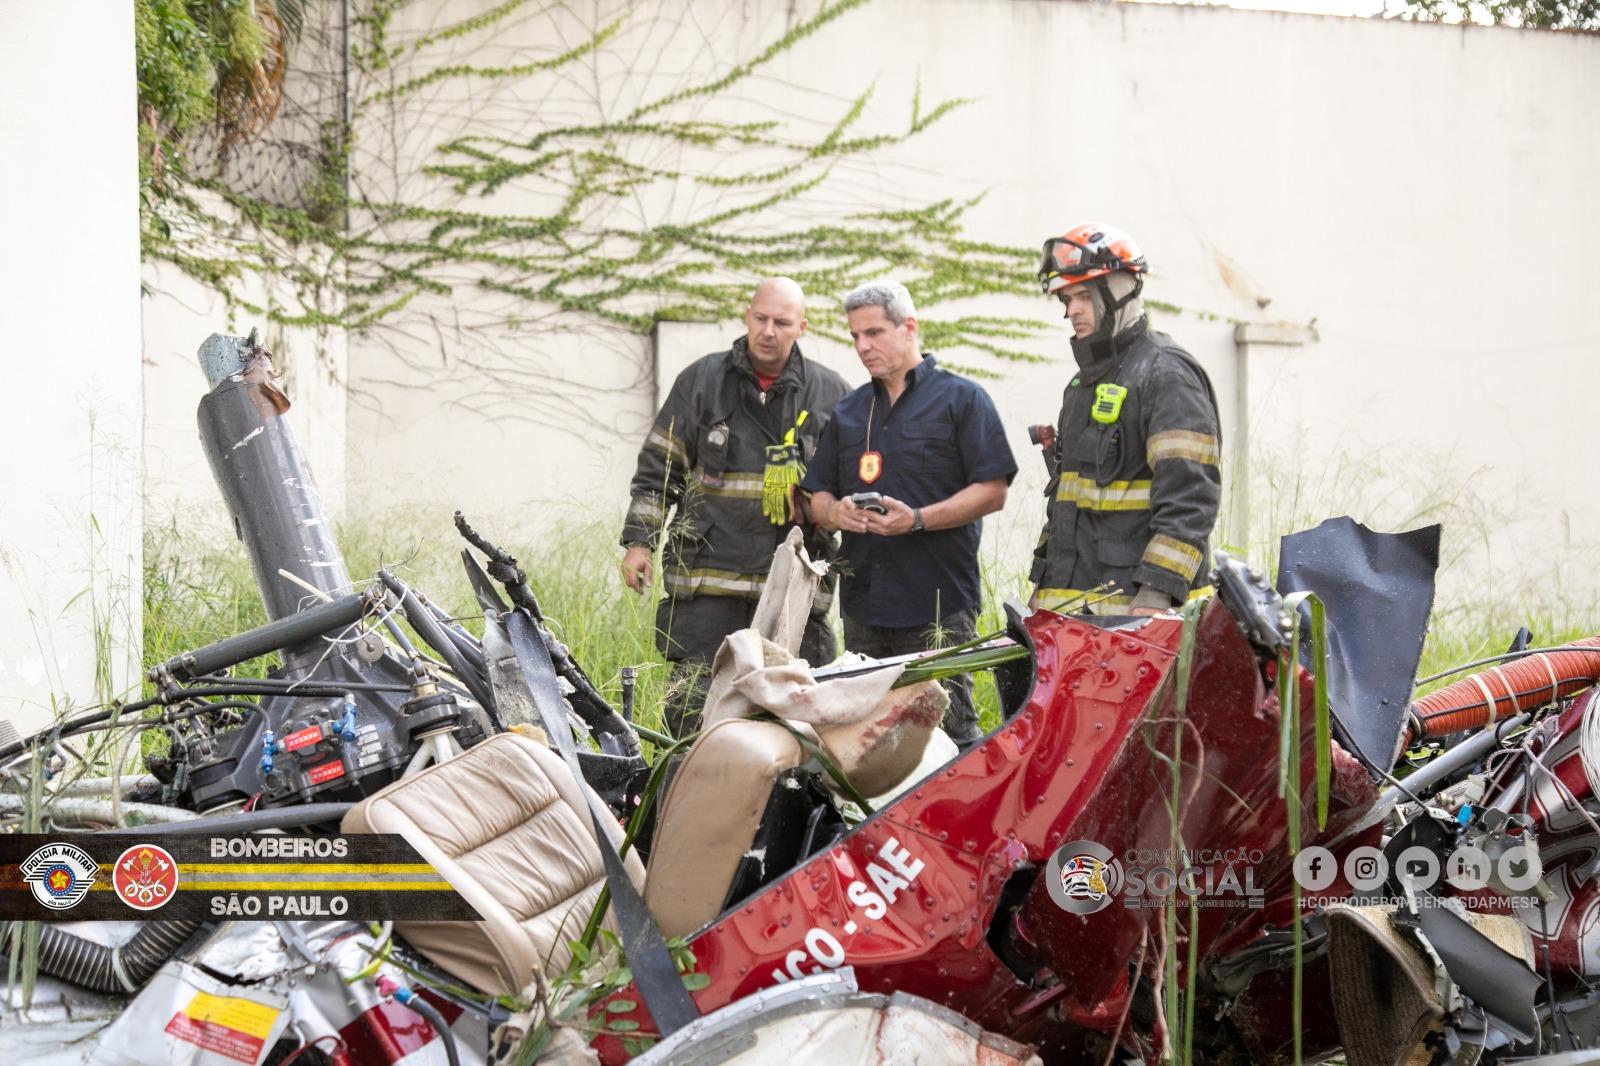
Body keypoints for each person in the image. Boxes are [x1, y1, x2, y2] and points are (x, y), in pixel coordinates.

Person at [620, 278, 850, 738]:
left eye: (782, 322)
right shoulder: (700, 383)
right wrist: (639, 544)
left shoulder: (830, 395)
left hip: (791, 597)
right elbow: (658, 471)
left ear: (801, 327)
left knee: (798, 732)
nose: (768, 330)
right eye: (760, 318)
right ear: (747, 316)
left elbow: (849, 497)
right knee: (691, 725)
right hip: (707, 594)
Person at [802, 281, 1016, 743]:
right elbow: (815, 497)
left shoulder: (962, 400)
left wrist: (916, 519)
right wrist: (837, 512)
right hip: (864, 607)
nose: (862, 346)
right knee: (870, 744)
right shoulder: (849, 412)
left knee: (949, 738)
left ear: (909, 328)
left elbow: (993, 490)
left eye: (874, 332)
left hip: (937, 604)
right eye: (855, 336)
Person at [1028, 223, 1222, 616]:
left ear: (1124, 290)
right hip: (1075, 619)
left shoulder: (1166, 374)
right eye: (1066, 298)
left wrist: (1157, 591)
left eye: (1083, 295)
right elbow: (1067, 504)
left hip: (1141, 621)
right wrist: (1043, 589)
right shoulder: (1082, 385)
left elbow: (1190, 500)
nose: (1071, 311)